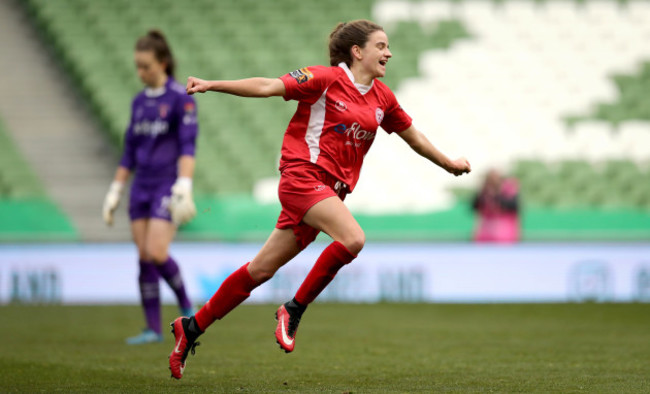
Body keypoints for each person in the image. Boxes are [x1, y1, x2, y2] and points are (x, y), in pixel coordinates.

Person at [168, 19, 471, 379]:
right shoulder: (324, 79)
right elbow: (268, 85)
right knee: (353, 238)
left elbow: (414, 138)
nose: (388, 53)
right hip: (301, 179)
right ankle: (293, 310)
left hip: (327, 194)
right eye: (381, 46)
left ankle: (191, 327)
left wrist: (448, 164)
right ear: (357, 52)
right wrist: (211, 85)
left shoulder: (383, 98)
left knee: (260, 270)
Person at [102, 29, 199, 345]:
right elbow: (129, 149)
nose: (141, 72)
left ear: (163, 63)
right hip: (140, 186)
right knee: (143, 255)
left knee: (157, 251)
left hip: (166, 184)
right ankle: (153, 329)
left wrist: (184, 184)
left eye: (146, 66)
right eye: (138, 66)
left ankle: (187, 305)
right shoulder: (139, 102)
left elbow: (187, 145)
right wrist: (116, 190)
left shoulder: (180, 99)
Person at [472, 168, 520, 243]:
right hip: (486, 236)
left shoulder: (509, 190)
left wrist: (495, 197)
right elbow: (475, 207)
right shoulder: (483, 192)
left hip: (506, 237)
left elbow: (515, 207)